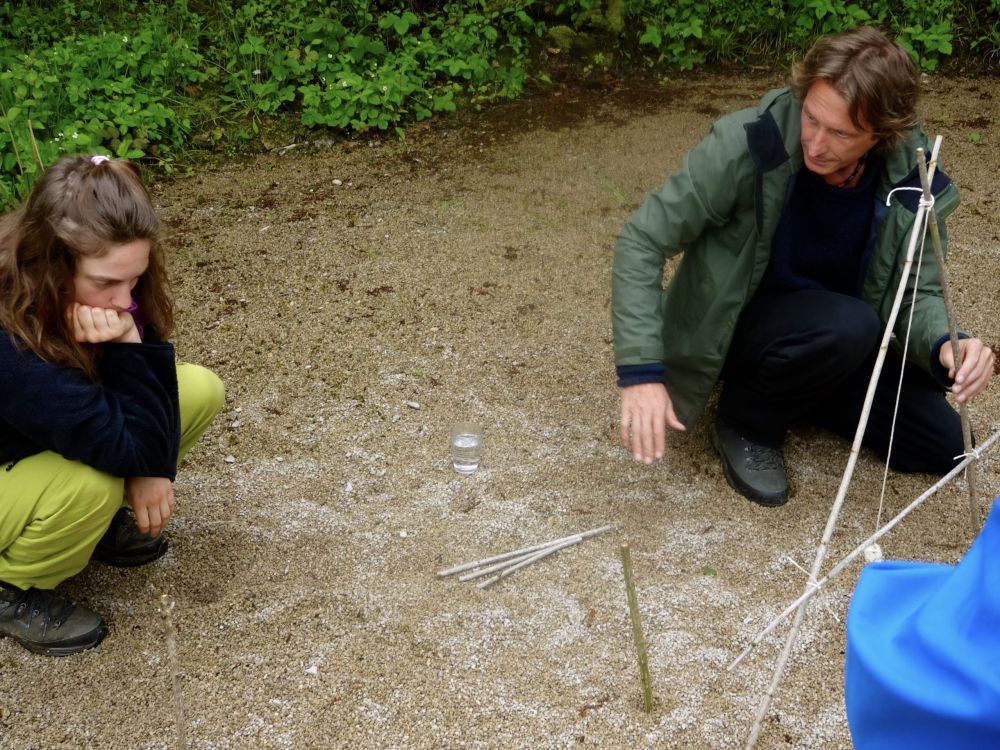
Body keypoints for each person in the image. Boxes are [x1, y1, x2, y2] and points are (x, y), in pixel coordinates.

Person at [612, 26, 994, 506]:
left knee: (948, 445)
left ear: (881, 135)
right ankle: (746, 421)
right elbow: (642, 240)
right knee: (850, 323)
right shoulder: (749, 142)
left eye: (840, 133)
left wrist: (946, 344)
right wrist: (640, 372)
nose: (815, 144)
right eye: (811, 119)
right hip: (741, 329)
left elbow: (917, 293)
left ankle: (804, 388)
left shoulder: (912, 178)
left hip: (838, 340)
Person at [0, 155, 224, 655]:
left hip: (37, 439)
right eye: (105, 283)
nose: (125, 301)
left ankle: (91, 528)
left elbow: (147, 388)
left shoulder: (102, 288)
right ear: (52, 262)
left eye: (134, 279)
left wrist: (129, 340)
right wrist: (146, 466)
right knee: (91, 482)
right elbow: (122, 439)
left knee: (197, 389)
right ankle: (9, 587)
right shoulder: (8, 331)